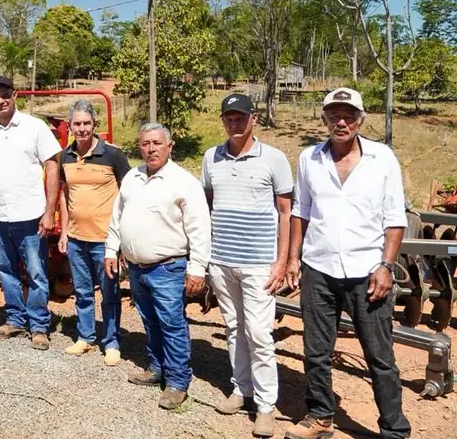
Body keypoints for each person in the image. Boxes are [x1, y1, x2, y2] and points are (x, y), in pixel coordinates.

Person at [284, 88, 411, 439]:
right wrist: (294, 258)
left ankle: (394, 429)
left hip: (368, 272)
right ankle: (320, 416)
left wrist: (386, 266)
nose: (341, 122)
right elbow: (301, 211)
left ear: (360, 120)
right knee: (316, 351)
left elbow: (395, 218)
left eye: (349, 116)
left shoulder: (382, 158)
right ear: (324, 119)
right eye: (334, 116)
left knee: (379, 355)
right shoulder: (309, 158)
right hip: (319, 269)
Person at [201, 94, 293, 438]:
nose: (234, 123)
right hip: (222, 261)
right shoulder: (211, 157)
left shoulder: (274, 158)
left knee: (258, 332)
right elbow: (208, 204)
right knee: (234, 327)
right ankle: (241, 389)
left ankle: (266, 406)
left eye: (240, 117)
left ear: (254, 118)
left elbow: (286, 213)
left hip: (259, 263)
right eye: (229, 117)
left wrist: (282, 262)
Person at [104, 123, 210, 410]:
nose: (151, 149)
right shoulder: (132, 177)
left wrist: (197, 268)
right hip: (137, 268)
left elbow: (200, 228)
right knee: (150, 321)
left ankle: (177, 382)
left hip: (168, 268)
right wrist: (111, 249)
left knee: (171, 324)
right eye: (145, 143)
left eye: (157, 143)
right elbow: (117, 216)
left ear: (169, 146)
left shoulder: (183, 182)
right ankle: (157, 367)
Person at [0, 76, 62, 351]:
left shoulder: (35, 127)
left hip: (31, 215)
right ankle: (15, 319)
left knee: (37, 272)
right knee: (6, 271)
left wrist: (50, 212)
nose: (1, 101)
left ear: (15, 95)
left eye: (5, 95)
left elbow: (52, 167)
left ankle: (39, 325)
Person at [57, 99, 130, 365]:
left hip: (105, 240)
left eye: (87, 123)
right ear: (69, 126)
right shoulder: (65, 156)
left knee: (110, 294)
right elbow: (64, 195)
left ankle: (111, 342)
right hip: (76, 238)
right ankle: (85, 337)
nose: (82, 128)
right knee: (83, 292)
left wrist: (121, 238)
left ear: (94, 124)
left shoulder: (113, 155)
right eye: (77, 123)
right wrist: (64, 232)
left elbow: (128, 194)